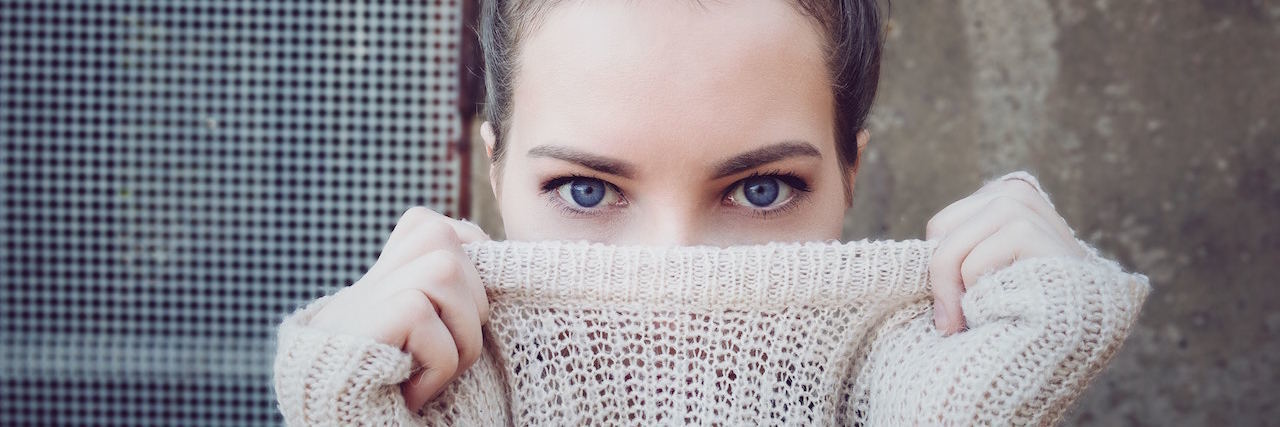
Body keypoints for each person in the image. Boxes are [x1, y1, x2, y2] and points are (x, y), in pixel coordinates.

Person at [300, 0, 1092, 415]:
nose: (675, 283)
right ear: (495, 167)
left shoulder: (927, 398)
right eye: (587, 190)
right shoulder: (425, 402)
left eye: (761, 189)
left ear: (851, 172)